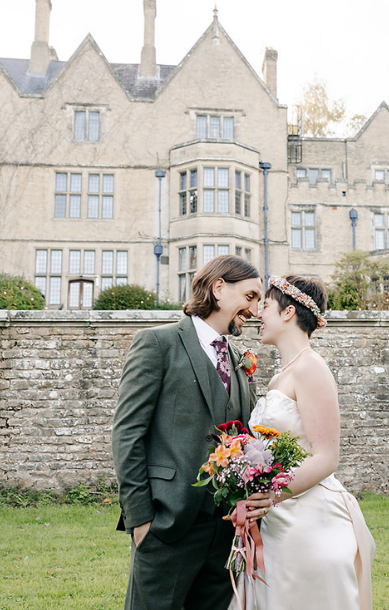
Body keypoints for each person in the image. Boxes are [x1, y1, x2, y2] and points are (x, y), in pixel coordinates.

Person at [112, 255, 271, 610]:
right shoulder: (157, 344)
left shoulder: (238, 359)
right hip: (167, 523)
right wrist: (142, 521)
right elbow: (128, 433)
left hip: (225, 530)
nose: (256, 309)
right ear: (218, 289)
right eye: (250, 297)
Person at [237, 275, 375, 610]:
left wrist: (272, 494)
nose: (257, 314)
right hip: (276, 519)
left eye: (265, 306)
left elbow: (326, 457)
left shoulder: (312, 368)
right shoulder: (281, 375)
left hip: (309, 521)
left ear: (287, 313)